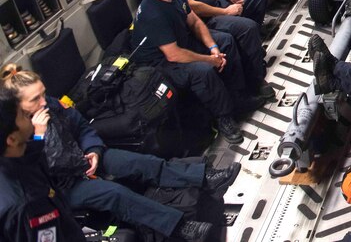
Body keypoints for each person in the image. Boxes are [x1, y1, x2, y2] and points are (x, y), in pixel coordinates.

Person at [0, 65, 238, 242]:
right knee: (114, 193)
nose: (43, 101)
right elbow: (38, 171)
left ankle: (204, 177)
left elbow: (81, 127)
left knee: (138, 162)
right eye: (35, 99)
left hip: (83, 160)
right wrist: (40, 135)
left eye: (43, 93)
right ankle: (180, 227)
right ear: (18, 107)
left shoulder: (51, 105)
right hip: (63, 186)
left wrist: (93, 150)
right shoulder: (18, 136)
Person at [129, 0, 245, 144]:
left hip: (180, 42)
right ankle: (224, 118)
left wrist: (213, 48)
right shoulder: (153, 14)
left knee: (225, 42)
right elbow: (173, 55)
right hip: (160, 63)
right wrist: (210, 60)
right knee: (203, 72)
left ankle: (238, 96)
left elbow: (195, 22)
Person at [0, 97, 90, 242]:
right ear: (12, 139)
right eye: (23, 115)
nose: (30, 116)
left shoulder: (25, 158)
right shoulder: (29, 203)